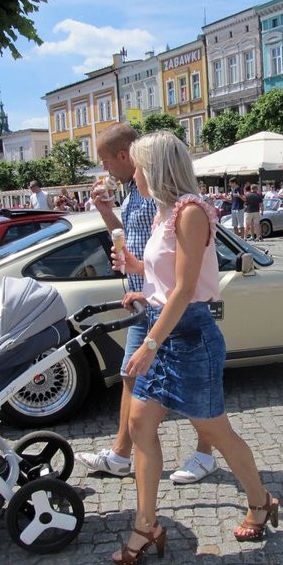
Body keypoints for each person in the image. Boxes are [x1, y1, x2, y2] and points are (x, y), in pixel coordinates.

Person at [111, 130, 278, 565]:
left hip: (189, 336)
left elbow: (186, 289)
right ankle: (146, 524)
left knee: (216, 432)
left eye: (140, 165)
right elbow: (167, 277)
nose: (135, 173)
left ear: (158, 167)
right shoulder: (163, 212)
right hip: (163, 328)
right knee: (140, 423)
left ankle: (260, 501)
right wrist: (138, 276)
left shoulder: (191, 211)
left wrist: (149, 343)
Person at [77, 123, 216, 485]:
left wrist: (152, 340)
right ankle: (125, 460)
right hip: (149, 299)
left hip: (174, 309)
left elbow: (184, 284)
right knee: (134, 378)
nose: (106, 168)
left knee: (201, 394)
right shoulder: (144, 200)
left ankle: (218, 464)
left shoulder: (175, 204)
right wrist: (133, 266)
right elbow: (136, 244)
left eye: (107, 160)